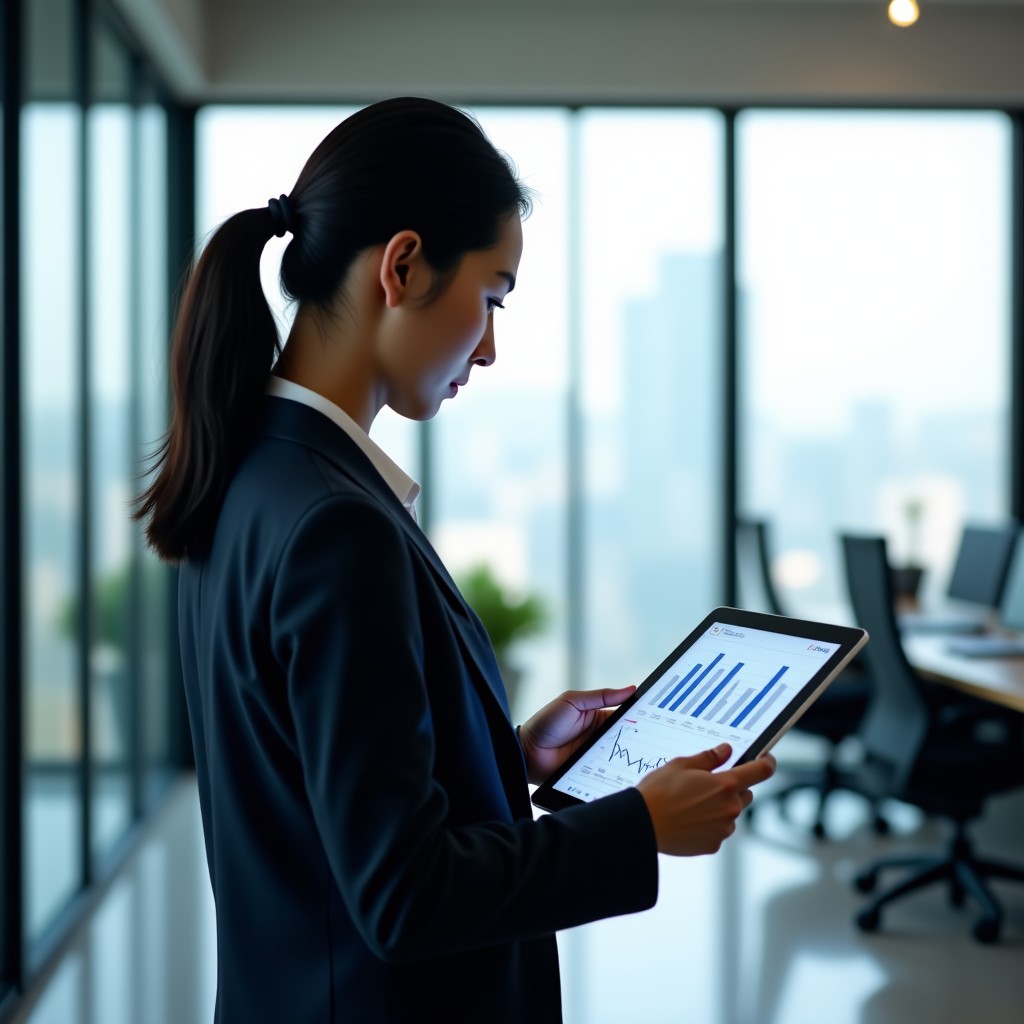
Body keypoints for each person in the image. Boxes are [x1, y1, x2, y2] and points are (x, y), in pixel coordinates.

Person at [134, 97, 776, 1023]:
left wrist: (507, 758)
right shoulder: (334, 525)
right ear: (401, 267)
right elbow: (405, 895)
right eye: (492, 296)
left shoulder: (253, 475)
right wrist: (638, 825)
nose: (490, 346)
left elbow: (323, 795)